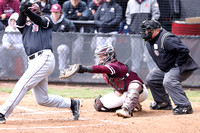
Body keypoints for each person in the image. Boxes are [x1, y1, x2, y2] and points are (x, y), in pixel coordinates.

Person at [0, 2, 80, 124]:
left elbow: (40, 21)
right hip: (33, 61)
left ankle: (2, 112)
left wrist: (28, 12)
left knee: (23, 84)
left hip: (44, 58)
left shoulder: (46, 19)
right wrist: (22, 11)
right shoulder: (25, 25)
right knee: (42, 99)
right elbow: (19, 24)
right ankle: (72, 103)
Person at [60, 44, 148, 118]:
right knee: (99, 105)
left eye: (103, 56)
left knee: (135, 84)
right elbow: (117, 81)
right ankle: (133, 103)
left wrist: (83, 68)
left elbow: (102, 69)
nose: (100, 58)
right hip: (124, 93)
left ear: (110, 55)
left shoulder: (115, 65)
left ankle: (126, 110)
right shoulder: (106, 67)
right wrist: (116, 90)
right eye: (99, 56)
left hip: (140, 91)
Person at [140, 19, 199, 115]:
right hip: (168, 68)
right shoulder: (149, 40)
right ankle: (163, 103)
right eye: (145, 30)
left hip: (181, 66)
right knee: (152, 78)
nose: (146, 32)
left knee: (168, 80)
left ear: (157, 30)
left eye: (149, 30)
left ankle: (184, 106)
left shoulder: (166, 38)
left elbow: (184, 50)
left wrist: (177, 63)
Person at [125, 0, 160, 73]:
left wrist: (150, 26)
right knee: (135, 55)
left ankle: (153, 74)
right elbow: (127, 16)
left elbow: (156, 14)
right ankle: (135, 74)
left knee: (149, 54)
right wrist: (131, 26)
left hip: (148, 34)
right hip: (135, 33)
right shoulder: (130, 2)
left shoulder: (152, 1)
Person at [49, 3, 76, 71]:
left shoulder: (67, 22)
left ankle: (62, 71)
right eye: (53, 12)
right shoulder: (47, 21)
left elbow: (73, 36)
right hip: (50, 44)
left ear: (60, 13)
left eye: (57, 12)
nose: (55, 14)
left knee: (61, 48)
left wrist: (62, 38)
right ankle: (48, 71)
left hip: (64, 45)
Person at [0, 12, 27, 77]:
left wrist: (15, 46)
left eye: (14, 21)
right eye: (11, 20)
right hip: (11, 50)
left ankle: (26, 71)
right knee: (2, 48)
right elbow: (4, 41)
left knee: (26, 50)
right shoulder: (8, 29)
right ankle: (3, 70)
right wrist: (8, 45)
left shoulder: (23, 28)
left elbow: (25, 44)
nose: (13, 22)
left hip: (21, 49)